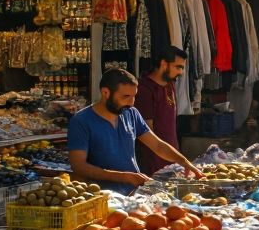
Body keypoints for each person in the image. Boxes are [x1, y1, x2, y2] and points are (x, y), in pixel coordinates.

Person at [70, 68, 203, 194]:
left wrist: (185, 162)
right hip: (101, 196)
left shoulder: (131, 113)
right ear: (105, 93)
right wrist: (124, 177)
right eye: (126, 96)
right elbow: (78, 166)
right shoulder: (81, 120)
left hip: (133, 193)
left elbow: (157, 145)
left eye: (134, 96)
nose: (131, 103)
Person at [134, 46, 187, 176]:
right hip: (152, 162)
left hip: (171, 159)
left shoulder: (170, 85)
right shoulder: (144, 89)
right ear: (164, 64)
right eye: (178, 67)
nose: (181, 72)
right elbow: (147, 131)